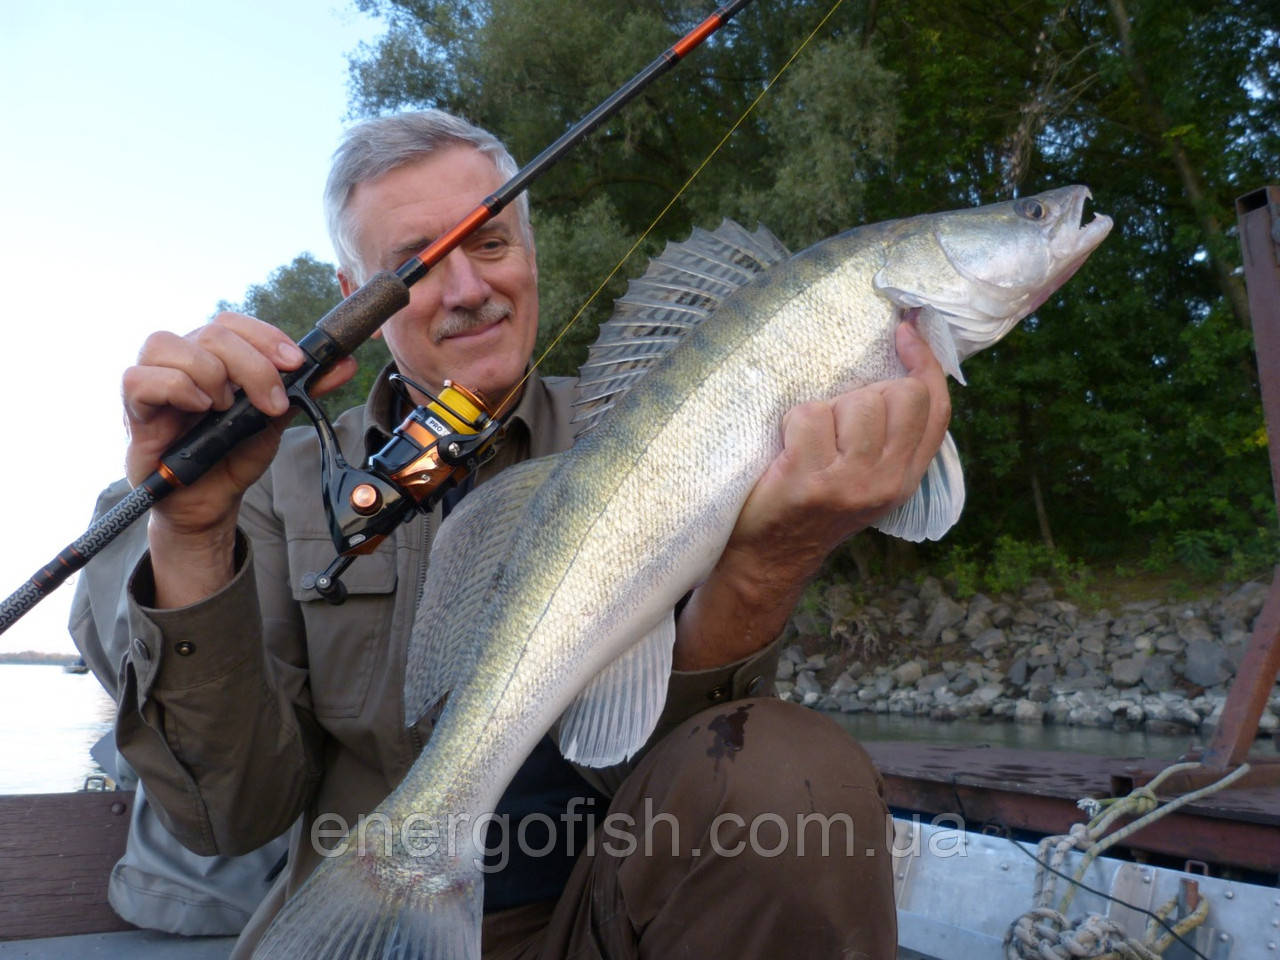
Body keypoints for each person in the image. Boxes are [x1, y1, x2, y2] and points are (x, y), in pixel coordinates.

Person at [98, 109, 951, 958]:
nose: (468, 288)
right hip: (372, 926)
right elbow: (230, 813)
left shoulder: (679, 427)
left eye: (493, 241)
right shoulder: (271, 486)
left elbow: (679, 760)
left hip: (603, 920)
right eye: (416, 265)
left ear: (532, 251)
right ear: (354, 290)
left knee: (792, 767)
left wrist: (767, 566)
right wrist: (192, 535)